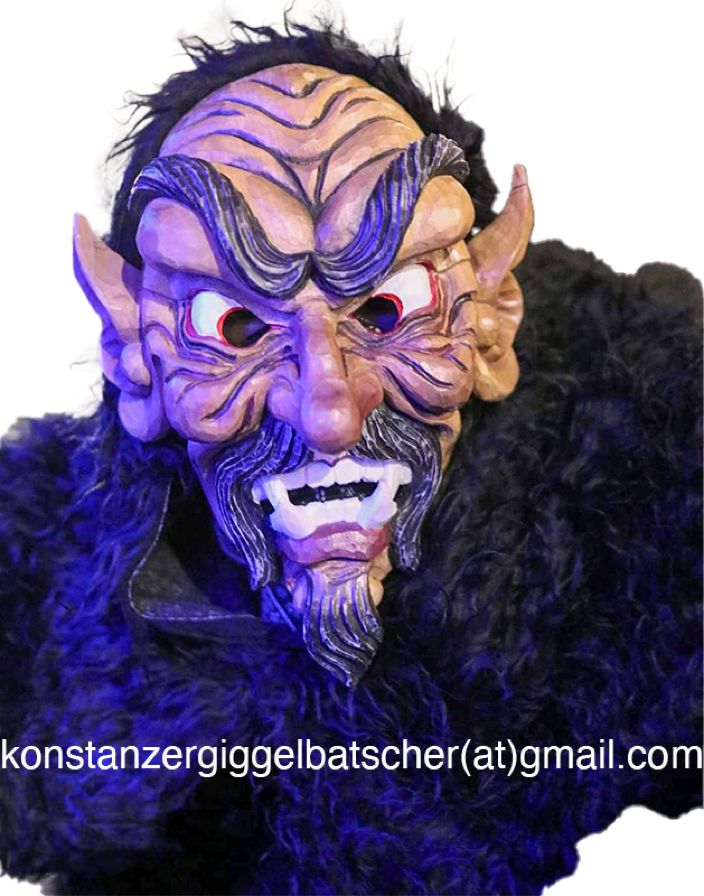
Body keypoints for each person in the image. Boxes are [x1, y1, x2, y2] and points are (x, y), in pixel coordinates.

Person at [2, 2, 702, 893]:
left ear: (490, 328)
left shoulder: (665, 542)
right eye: (235, 326)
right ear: (138, 359)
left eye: (387, 310)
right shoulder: (31, 595)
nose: (329, 412)